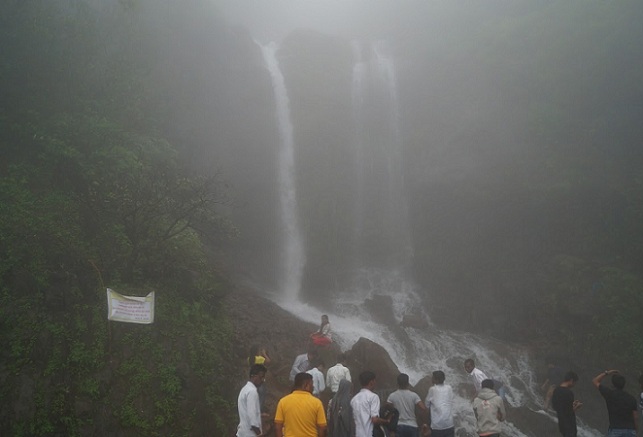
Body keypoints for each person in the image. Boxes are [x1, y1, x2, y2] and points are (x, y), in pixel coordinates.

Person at [274, 372, 327, 437]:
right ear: (306, 385)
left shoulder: (283, 401)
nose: (313, 387)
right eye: (311, 384)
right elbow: (322, 427)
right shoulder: (317, 403)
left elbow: (278, 426)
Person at [592, 369, 638, 436]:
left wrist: (608, 372)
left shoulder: (609, 394)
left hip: (615, 430)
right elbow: (635, 417)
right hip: (630, 430)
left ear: (613, 384)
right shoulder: (632, 399)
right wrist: (635, 430)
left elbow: (595, 380)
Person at [351, 370, 390, 437]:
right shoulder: (373, 397)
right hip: (369, 434)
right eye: (375, 380)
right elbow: (374, 419)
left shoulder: (354, 399)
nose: (375, 383)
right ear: (371, 382)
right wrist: (386, 421)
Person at [237, 364, 267, 437]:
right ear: (254, 376)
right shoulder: (252, 392)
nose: (263, 380)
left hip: (242, 432)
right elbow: (252, 419)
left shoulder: (245, 389)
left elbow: (247, 412)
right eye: (261, 377)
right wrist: (259, 434)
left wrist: (259, 414)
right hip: (250, 434)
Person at [551, 371, 582, 437]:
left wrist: (572, 404)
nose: (574, 385)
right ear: (571, 380)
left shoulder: (556, 390)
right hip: (569, 425)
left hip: (561, 424)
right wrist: (576, 406)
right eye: (575, 383)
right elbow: (569, 412)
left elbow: (556, 406)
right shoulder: (569, 393)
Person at [425, 370, 455, 437]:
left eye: (433, 378)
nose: (431, 379)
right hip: (449, 423)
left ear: (436, 380)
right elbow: (451, 400)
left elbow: (426, 404)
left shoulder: (432, 389)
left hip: (437, 425)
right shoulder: (449, 388)